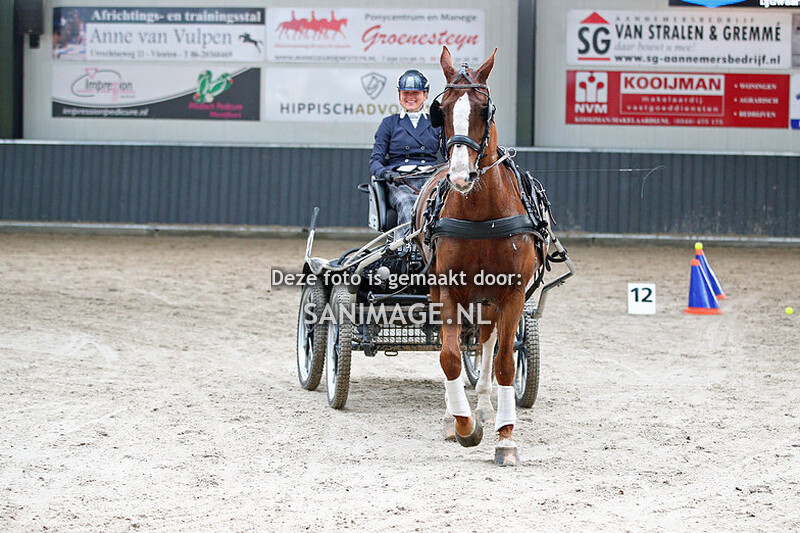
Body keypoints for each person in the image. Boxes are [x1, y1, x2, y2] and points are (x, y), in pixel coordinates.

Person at [369, 69, 441, 237]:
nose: (410, 97)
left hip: (430, 178)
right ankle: (406, 248)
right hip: (400, 181)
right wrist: (385, 173)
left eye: (415, 93)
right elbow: (375, 160)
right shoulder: (389, 123)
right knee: (408, 205)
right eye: (406, 93)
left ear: (425, 95)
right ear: (399, 95)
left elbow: (449, 156)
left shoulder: (436, 123)